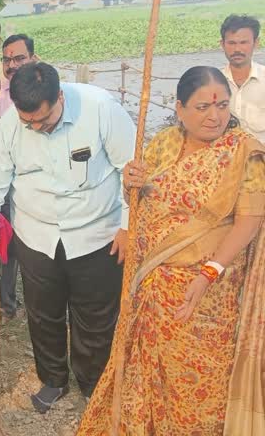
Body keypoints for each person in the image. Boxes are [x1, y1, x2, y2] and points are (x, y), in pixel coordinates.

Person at [79, 66, 265, 434]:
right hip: (151, 287)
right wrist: (130, 181)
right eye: (202, 107)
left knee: (201, 379)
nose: (215, 116)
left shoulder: (246, 152)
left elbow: (250, 221)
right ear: (179, 108)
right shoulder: (163, 141)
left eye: (223, 106)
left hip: (209, 291)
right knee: (144, 374)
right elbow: (144, 199)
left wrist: (209, 272)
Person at [0, 62, 135, 413]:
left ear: (60, 96)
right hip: (37, 236)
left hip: (97, 234)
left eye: (44, 120)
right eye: (30, 123)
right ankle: (53, 379)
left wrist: (128, 226)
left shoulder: (100, 108)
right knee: (43, 314)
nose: (37, 128)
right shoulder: (12, 124)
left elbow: (131, 169)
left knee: (95, 316)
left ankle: (92, 384)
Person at [0, 34, 38, 319]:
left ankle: (38, 302)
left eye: (19, 58)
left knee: (34, 244)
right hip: (6, 181)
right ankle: (7, 302)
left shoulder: (44, 89)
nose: (12, 65)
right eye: (7, 59)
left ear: (33, 58)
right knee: (6, 243)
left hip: (36, 183)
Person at [220, 15, 264, 142]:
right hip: (225, 157)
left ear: (256, 43)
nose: (237, 49)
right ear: (222, 44)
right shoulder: (214, 82)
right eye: (231, 43)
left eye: (243, 42)